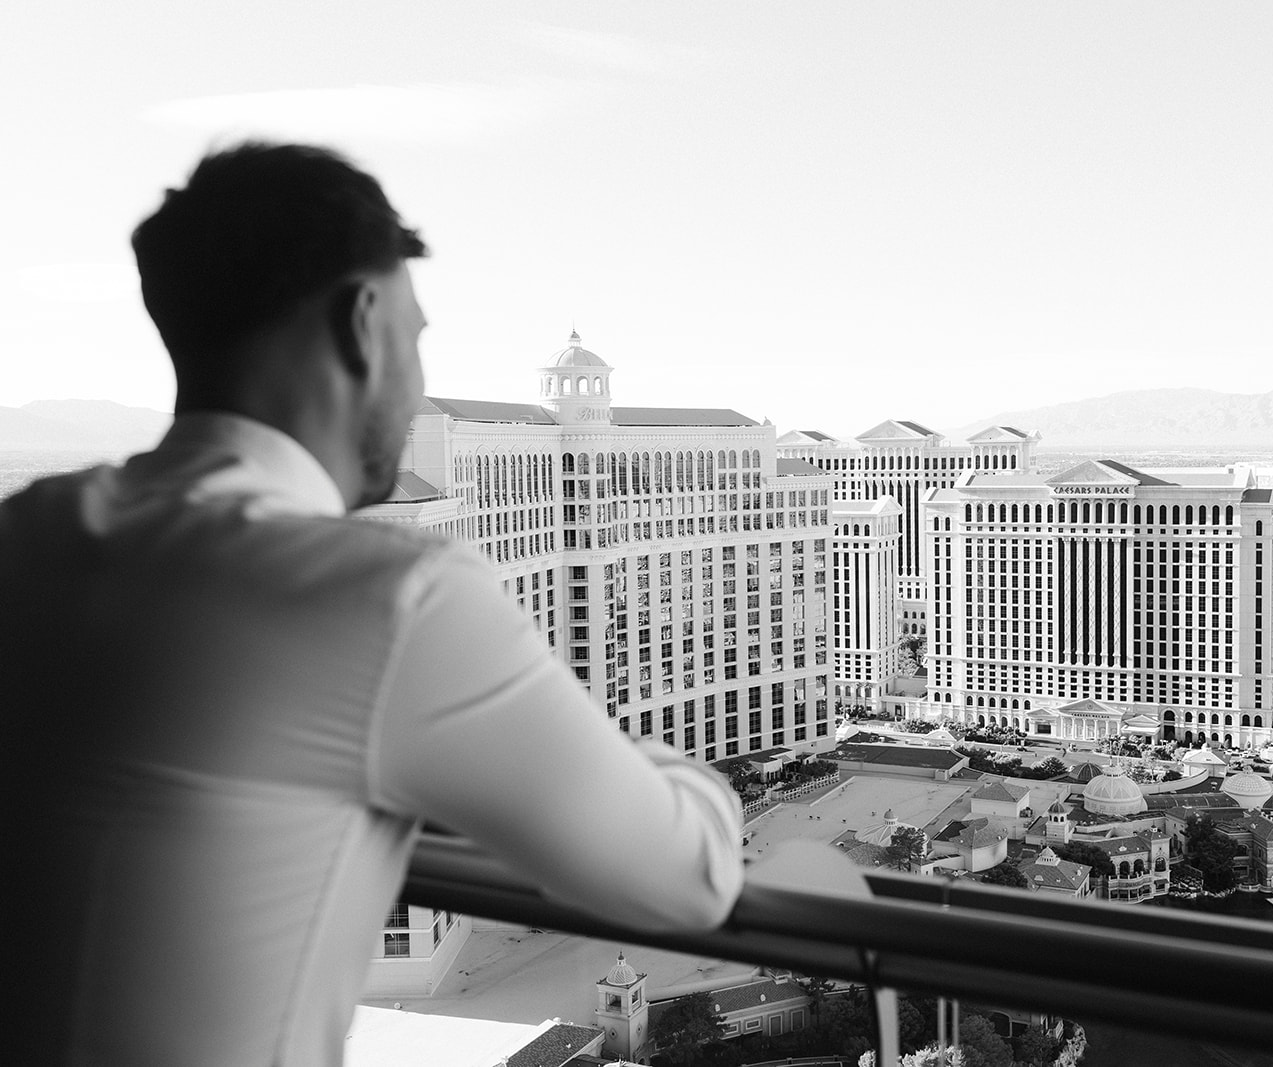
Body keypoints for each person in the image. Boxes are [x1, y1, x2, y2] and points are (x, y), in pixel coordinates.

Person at [0, 142, 743, 1066]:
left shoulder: (25, 535)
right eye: (418, 338)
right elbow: (691, 877)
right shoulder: (390, 599)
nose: (418, 383)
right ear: (363, 322)